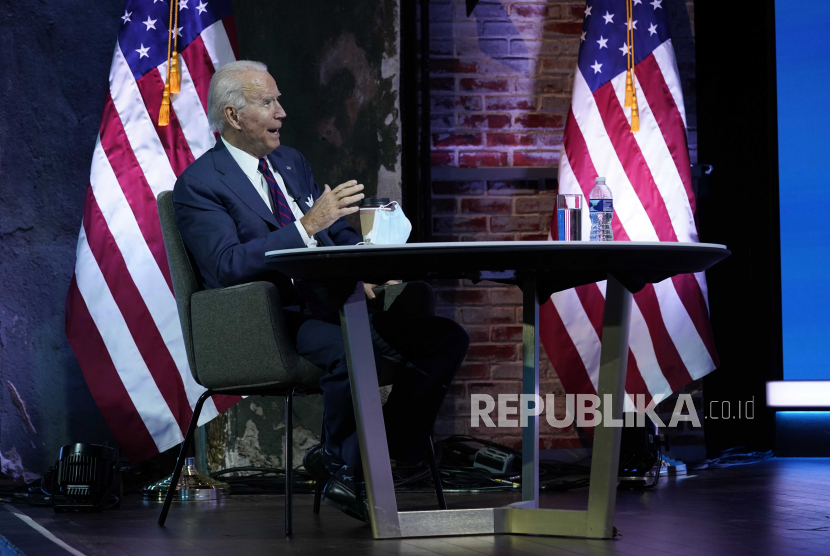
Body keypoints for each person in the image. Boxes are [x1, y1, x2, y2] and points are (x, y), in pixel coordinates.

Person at [172, 60, 469, 522]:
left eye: (278, 99)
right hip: (277, 318)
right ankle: (350, 465)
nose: (282, 112)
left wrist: (370, 261)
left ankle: (363, 454)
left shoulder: (290, 162)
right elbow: (227, 265)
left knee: (446, 340)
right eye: (268, 102)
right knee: (353, 352)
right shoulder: (200, 185)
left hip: (338, 303)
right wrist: (307, 224)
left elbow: (334, 235)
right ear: (233, 116)